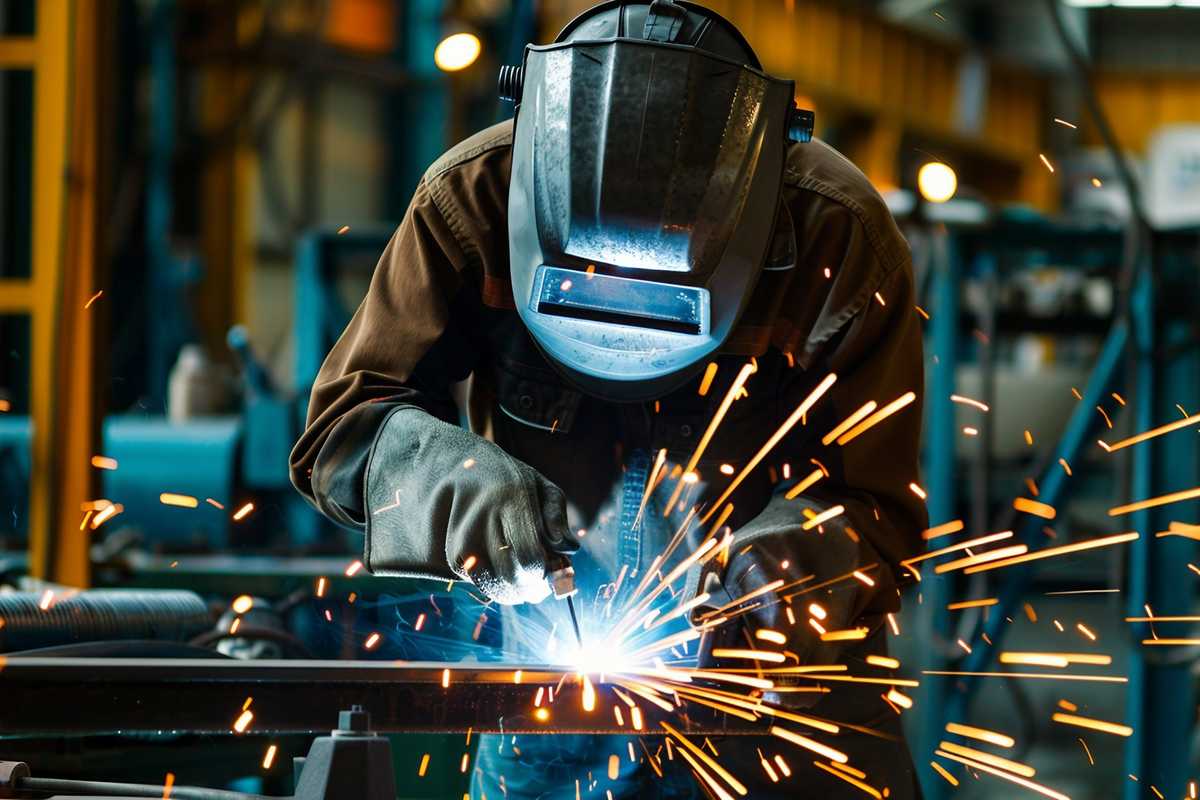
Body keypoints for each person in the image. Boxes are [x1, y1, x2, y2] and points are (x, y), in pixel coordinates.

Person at [290, 1, 926, 796]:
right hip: (552, 712)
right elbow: (341, 433)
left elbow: (879, 509)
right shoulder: (474, 202)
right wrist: (448, 480)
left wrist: (775, 575)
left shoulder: (839, 238)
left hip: (784, 721)